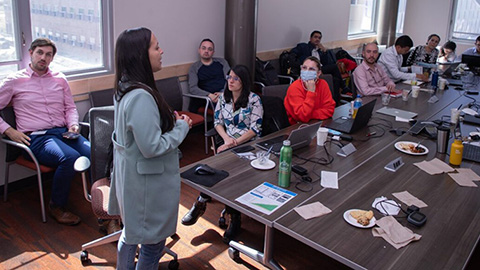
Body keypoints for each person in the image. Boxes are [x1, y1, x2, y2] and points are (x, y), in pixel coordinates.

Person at [108, 27, 192, 270]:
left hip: (132, 182)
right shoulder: (141, 96)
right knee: (153, 244)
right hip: (145, 187)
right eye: (156, 46)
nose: (161, 50)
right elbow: (152, 147)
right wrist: (181, 127)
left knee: (131, 235)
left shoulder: (124, 88)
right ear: (140, 55)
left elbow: (138, 136)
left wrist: (166, 122)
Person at [0, 38, 90, 226]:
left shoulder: (60, 78)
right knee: (70, 158)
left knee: (95, 153)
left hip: (64, 132)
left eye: (48, 54)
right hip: (38, 137)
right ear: (30, 53)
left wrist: (73, 125)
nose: (44, 57)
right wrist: (9, 131)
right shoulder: (14, 81)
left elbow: (70, 108)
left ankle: (101, 202)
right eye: (40, 52)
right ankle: (56, 206)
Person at [182, 65, 263, 243]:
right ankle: (203, 203)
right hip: (227, 142)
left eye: (235, 78)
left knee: (227, 172)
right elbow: (217, 122)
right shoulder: (223, 98)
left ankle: (225, 213)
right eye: (229, 77)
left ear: (244, 82)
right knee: (214, 168)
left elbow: (255, 129)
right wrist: (227, 139)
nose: (230, 81)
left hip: (248, 144)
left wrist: (235, 142)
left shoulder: (254, 99)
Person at [291, 30, 348, 104]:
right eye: (315, 37)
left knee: (336, 79)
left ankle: (335, 102)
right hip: (311, 70)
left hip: (320, 69)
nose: (317, 39)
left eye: (319, 38)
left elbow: (327, 62)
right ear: (310, 38)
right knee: (334, 67)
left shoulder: (319, 50)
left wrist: (324, 51)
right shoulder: (303, 47)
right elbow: (292, 54)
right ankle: (344, 87)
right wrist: (299, 64)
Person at [284, 56, 336, 125]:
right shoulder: (295, 87)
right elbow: (302, 116)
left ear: (318, 73)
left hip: (318, 123)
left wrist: (310, 114)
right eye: (304, 68)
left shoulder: (323, 84)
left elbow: (330, 110)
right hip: (297, 127)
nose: (307, 71)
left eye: (311, 69)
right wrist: (311, 92)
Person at [188, 38, 230, 113]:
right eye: (204, 48)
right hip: (208, 98)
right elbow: (193, 88)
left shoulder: (222, 62)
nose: (206, 51)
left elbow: (230, 79)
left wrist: (224, 93)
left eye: (210, 49)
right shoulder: (194, 67)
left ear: (213, 52)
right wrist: (209, 95)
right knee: (225, 107)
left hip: (224, 92)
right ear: (199, 50)